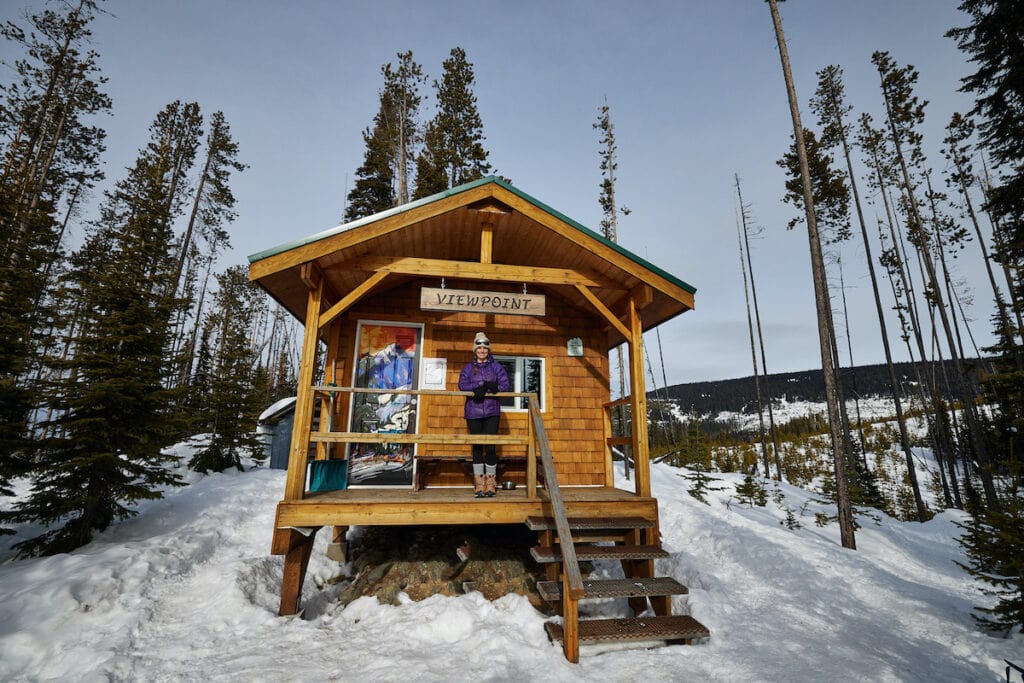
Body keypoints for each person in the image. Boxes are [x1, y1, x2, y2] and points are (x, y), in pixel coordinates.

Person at [457, 332, 510, 497]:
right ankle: (479, 484)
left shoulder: (497, 367)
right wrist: (477, 388)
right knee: (477, 447)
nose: (482, 350)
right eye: (479, 347)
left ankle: (491, 483)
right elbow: (461, 385)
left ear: (488, 350)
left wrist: (492, 387)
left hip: (492, 411)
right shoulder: (468, 368)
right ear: (475, 350)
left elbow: (505, 385)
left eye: (485, 348)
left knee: (491, 447)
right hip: (473, 411)